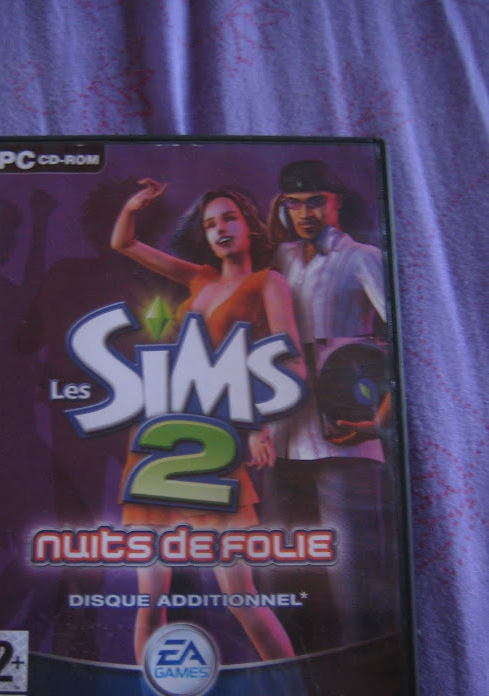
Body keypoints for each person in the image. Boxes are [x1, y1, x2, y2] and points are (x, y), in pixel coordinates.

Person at [110, 179, 306, 664]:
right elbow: (124, 244)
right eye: (210, 223)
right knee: (149, 600)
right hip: (158, 436)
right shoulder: (200, 278)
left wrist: (261, 426)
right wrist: (133, 207)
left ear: (249, 226)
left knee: (241, 597)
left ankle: (295, 695)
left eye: (229, 218)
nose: (219, 229)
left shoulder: (268, 283)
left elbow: (291, 363)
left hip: (214, 441)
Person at [265, 159, 398, 649]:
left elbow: (404, 340)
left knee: (352, 575)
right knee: (277, 569)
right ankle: (300, 671)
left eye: (315, 201)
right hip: (281, 437)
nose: (305, 213)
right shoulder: (279, 258)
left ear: (336, 201)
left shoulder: (361, 257)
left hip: (343, 434)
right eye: (294, 203)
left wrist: (380, 420)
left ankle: (367, 667)